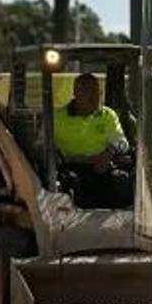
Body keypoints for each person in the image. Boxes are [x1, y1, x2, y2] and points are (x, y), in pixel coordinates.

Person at [53, 73, 132, 208]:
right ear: (76, 93)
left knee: (122, 181)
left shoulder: (108, 115)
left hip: (101, 167)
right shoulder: (57, 118)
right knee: (69, 185)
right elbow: (41, 147)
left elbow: (122, 142)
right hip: (70, 168)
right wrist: (66, 159)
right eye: (87, 91)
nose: (93, 97)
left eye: (96, 92)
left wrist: (109, 152)